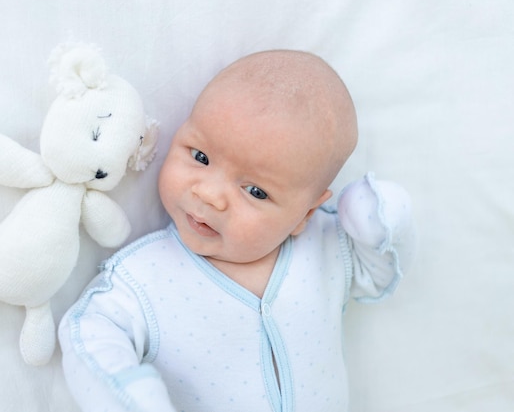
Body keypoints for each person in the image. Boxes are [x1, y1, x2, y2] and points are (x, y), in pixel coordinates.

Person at [58, 50, 415, 412]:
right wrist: (131, 396)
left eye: (255, 191)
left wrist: (380, 219)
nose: (209, 196)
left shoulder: (327, 247)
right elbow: (88, 333)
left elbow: (379, 274)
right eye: (200, 157)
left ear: (304, 213)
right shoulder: (144, 277)